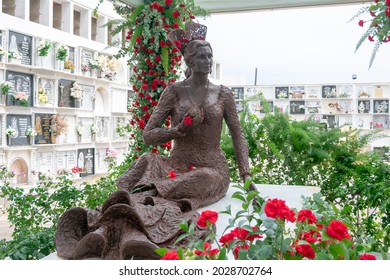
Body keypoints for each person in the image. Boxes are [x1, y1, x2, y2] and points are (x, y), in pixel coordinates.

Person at [55, 23, 255, 260]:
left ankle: (135, 218)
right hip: (175, 165)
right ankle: (112, 224)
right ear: (189, 61)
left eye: (210, 56)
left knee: (198, 179)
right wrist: (177, 131)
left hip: (211, 170)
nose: (208, 60)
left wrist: (246, 176)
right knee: (148, 161)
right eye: (202, 56)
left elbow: (237, 135)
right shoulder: (174, 91)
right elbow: (148, 135)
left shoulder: (223, 94)